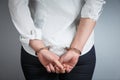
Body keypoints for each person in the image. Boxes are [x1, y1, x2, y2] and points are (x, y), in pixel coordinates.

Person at [8, 0, 105, 80]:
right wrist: (76, 49)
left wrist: (39, 47)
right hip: (77, 47)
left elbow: (16, 5)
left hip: (38, 47)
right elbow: (94, 5)